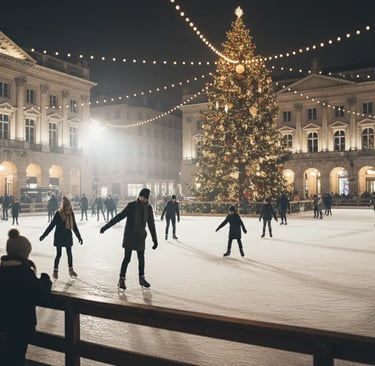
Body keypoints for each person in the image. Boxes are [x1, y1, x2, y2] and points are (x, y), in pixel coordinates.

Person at [0, 229, 51, 366]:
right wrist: (45, 279)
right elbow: (42, 295)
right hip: (19, 330)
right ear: (24, 254)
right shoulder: (25, 274)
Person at [99, 188, 158, 290]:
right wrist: (106, 226)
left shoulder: (148, 209)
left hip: (140, 237)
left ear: (147, 199)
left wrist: (155, 240)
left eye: (144, 197)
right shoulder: (132, 206)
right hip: (130, 236)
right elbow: (120, 216)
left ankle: (141, 278)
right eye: (141, 196)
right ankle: (121, 279)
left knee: (141, 259)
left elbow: (151, 225)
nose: (142, 198)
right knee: (127, 258)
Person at [39, 196, 83, 280]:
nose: (67, 207)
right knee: (59, 254)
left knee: (69, 253)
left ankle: (71, 270)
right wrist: (44, 235)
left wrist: (79, 237)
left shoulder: (71, 214)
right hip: (59, 236)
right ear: (63, 206)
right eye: (66, 206)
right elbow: (51, 225)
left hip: (67, 236)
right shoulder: (58, 213)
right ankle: (55, 271)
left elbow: (74, 226)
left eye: (68, 205)